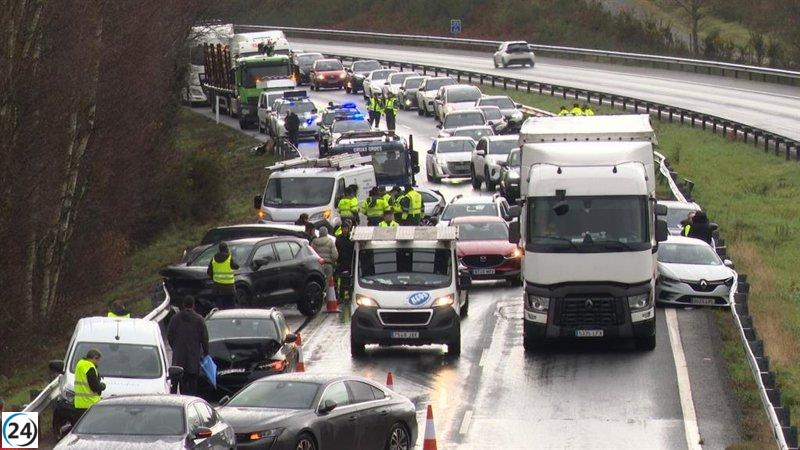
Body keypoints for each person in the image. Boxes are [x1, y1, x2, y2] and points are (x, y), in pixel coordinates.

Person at [167, 296, 209, 396]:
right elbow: (204, 338)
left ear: (183, 305)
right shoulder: (199, 320)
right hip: (193, 359)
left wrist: (175, 347)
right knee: (192, 387)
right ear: (193, 305)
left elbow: (169, 335)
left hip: (178, 359)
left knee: (176, 384)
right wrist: (206, 353)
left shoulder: (175, 319)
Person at [206, 242, 238, 310]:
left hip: (218, 288)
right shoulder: (229, 257)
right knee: (231, 308)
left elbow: (209, 272)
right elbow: (236, 266)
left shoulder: (214, 258)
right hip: (229, 288)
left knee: (219, 309)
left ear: (219, 249)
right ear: (226, 249)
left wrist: (214, 278)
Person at [73, 349, 105, 417]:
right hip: (90, 404)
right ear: (94, 358)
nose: (98, 363)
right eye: (98, 360)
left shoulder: (80, 364)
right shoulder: (90, 367)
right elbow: (94, 387)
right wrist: (103, 386)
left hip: (79, 404)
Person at [335, 219, 355, 301]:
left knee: (350, 279)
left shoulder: (351, 238)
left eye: (346, 228)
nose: (345, 230)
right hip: (342, 261)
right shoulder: (339, 238)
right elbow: (337, 250)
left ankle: (349, 296)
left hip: (350, 261)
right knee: (342, 280)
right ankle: (341, 296)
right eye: (343, 228)